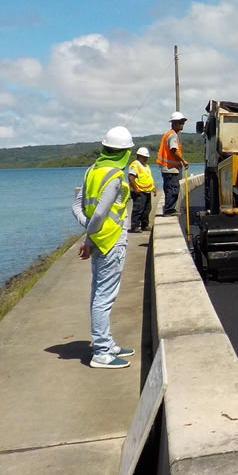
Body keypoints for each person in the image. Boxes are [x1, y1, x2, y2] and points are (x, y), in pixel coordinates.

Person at [71, 126, 136, 369]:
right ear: (124, 152)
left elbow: (77, 206)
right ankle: (101, 352)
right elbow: (100, 213)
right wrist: (93, 232)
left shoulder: (92, 171)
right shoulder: (115, 176)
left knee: (99, 293)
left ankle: (107, 344)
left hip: (98, 242)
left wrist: (89, 238)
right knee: (104, 297)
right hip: (111, 242)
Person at [156, 111, 189, 216]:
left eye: (183, 122)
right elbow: (173, 150)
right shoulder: (172, 135)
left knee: (169, 188)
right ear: (174, 123)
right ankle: (169, 210)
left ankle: (169, 208)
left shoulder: (169, 134)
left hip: (168, 168)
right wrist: (183, 161)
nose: (182, 124)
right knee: (173, 189)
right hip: (171, 168)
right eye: (180, 122)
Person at [128, 146, 158, 233]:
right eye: (145, 157)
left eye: (147, 158)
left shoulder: (146, 166)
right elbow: (131, 177)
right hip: (139, 192)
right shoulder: (134, 165)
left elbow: (148, 178)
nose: (146, 159)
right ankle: (135, 226)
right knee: (138, 209)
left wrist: (153, 188)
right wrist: (136, 188)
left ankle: (145, 225)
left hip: (147, 191)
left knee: (147, 209)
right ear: (140, 156)